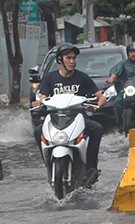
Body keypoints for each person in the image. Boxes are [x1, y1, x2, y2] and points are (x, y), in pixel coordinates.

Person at [32, 43, 107, 185]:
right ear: (60, 60)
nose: (72, 61)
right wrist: (40, 102)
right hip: (55, 118)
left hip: (78, 118)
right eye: (68, 58)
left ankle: (91, 167)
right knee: (37, 131)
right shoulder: (50, 78)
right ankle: (48, 163)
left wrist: (96, 106)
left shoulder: (82, 77)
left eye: (74, 58)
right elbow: (42, 96)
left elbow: (100, 96)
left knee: (97, 128)